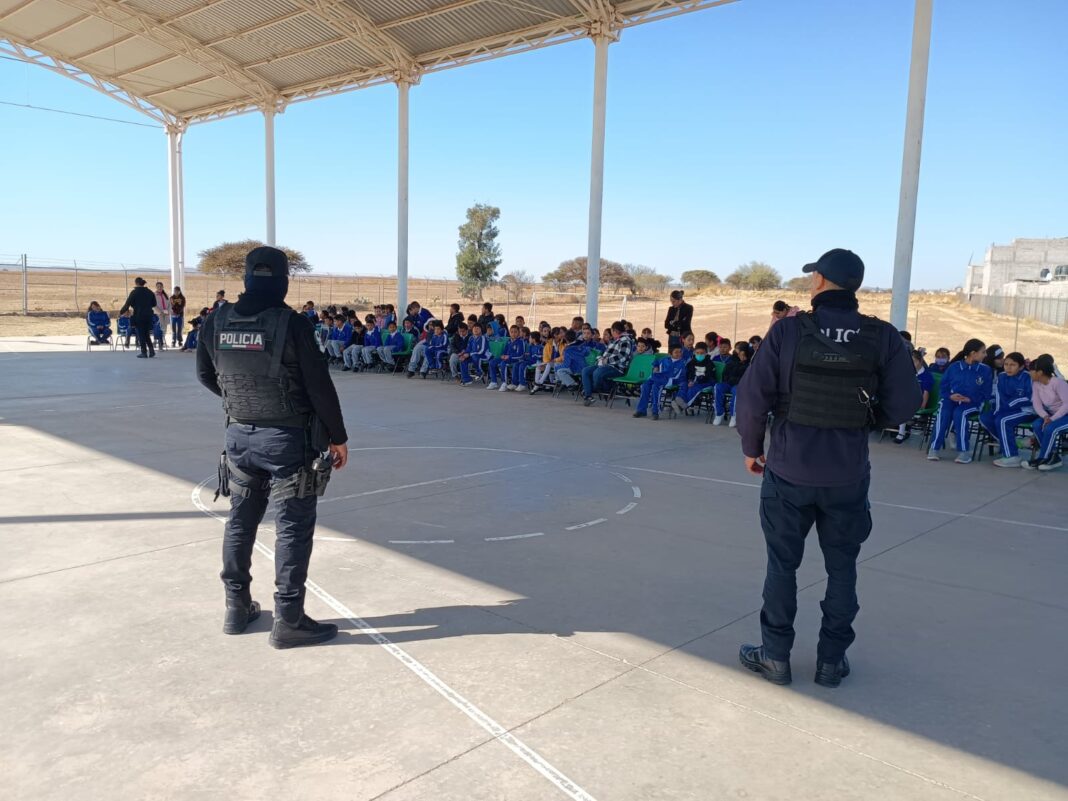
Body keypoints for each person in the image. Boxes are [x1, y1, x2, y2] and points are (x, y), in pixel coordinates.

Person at [735, 248, 919, 688]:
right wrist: (864, 420)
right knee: (842, 569)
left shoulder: (788, 331)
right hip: (847, 475)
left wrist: (751, 447)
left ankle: (775, 657)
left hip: (788, 470)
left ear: (819, 280)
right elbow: (905, 404)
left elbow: (753, 396)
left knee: (782, 567)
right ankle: (831, 662)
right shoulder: (882, 335)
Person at [196, 246, 348, 649]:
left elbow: (205, 374)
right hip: (287, 441)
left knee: (240, 521)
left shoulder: (216, 320)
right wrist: (338, 436)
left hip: (239, 437)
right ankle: (289, 619)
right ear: (283, 281)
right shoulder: (292, 324)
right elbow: (319, 386)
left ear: (246, 278)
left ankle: (236, 608)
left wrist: (241, 401)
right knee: (292, 527)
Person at [927, 339, 992, 464]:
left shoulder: (985, 370)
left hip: (973, 403)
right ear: (973, 353)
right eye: (983, 352)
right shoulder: (954, 367)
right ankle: (934, 448)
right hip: (951, 400)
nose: (985, 355)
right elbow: (943, 386)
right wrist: (950, 396)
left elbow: (986, 392)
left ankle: (963, 451)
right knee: (944, 412)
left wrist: (971, 399)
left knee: (960, 413)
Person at [979, 352, 1035, 467]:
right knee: (985, 418)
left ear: (1021, 367)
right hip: (1007, 409)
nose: (1008, 368)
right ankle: (1015, 442)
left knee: (1002, 420)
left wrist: (1008, 406)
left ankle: (1012, 456)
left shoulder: (1027, 377)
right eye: (1006, 364)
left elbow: (1030, 398)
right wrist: (998, 410)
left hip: (1026, 410)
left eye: (1013, 365)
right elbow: (999, 396)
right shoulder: (1002, 376)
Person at [1022, 354, 1068, 471]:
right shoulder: (1036, 384)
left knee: (1050, 428)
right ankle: (1053, 457)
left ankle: (1043, 458)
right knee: (1037, 424)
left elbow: (1066, 405)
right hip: (1051, 415)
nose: (1029, 373)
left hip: (1065, 415)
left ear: (1040, 372)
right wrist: (1045, 416)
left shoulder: (1058, 383)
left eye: (1031, 371)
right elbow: (1036, 403)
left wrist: (1051, 419)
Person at [581, 321, 634, 406]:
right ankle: (588, 396)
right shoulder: (615, 340)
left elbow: (622, 357)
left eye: (612, 331)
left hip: (617, 368)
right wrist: (601, 359)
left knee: (597, 373)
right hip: (605, 365)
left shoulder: (625, 341)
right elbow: (606, 354)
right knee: (585, 371)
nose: (611, 333)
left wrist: (607, 360)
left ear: (614, 331)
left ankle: (599, 389)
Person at [633, 344, 687, 420]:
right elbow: (656, 362)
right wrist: (656, 367)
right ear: (670, 354)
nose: (679, 354)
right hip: (659, 377)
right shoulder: (665, 359)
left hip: (671, 380)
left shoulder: (682, 363)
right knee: (645, 385)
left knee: (656, 386)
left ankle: (655, 412)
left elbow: (679, 377)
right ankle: (641, 410)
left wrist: (663, 377)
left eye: (680, 352)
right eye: (676, 352)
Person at [893, 350, 933, 443]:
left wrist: (923, 405)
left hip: (918, 401)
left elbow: (926, 392)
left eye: (914, 361)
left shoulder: (927, 375)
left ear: (920, 361)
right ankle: (901, 425)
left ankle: (901, 432)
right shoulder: (907, 372)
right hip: (906, 399)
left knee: (903, 404)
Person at [712, 341, 751, 426]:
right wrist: (728, 380)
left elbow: (746, 378)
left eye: (739, 350)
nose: (737, 352)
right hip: (729, 382)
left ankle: (734, 415)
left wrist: (735, 380)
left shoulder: (749, 363)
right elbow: (725, 373)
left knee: (736, 391)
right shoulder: (733, 359)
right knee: (718, 387)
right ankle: (719, 413)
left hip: (739, 385)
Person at [119, 276, 159, 358]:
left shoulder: (134, 292)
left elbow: (127, 304)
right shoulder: (150, 292)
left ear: (136, 283)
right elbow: (154, 304)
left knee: (141, 334)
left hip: (139, 316)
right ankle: (151, 351)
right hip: (148, 316)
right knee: (146, 334)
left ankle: (144, 352)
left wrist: (121, 312)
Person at [673, 342, 715, 413]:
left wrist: (696, 381)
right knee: (684, 384)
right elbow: (688, 373)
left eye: (702, 353)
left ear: (706, 353)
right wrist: (690, 380)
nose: (699, 355)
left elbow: (708, 376)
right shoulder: (691, 363)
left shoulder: (710, 363)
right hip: (693, 381)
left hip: (707, 382)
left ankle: (683, 405)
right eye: (697, 353)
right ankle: (679, 399)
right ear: (694, 352)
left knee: (693, 388)